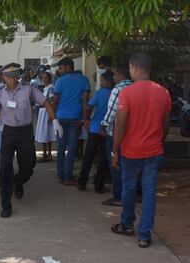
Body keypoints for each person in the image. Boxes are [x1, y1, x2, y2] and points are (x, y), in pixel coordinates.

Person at [0, 63, 60, 218]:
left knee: (29, 165)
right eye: (9, 76)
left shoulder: (29, 89)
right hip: (9, 133)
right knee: (6, 168)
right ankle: (6, 205)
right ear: (5, 78)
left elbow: (45, 102)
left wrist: (54, 120)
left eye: (15, 76)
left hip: (25, 133)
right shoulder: (0, 93)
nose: (13, 79)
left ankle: (19, 181)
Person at [111, 52, 171, 248]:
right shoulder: (163, 92)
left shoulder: (127, 93)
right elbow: (166, 125)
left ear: (135, 69)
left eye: (129, 69)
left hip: (131, 151)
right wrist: (158, 140)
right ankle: (144, 235)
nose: (129, 72)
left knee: (128, 187)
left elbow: (120, 125)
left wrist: (115, 151)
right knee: (149, 192)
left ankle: (127, 224)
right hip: (154, 151)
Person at [53, 57, 91, 185]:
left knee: (61, 147)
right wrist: (85, 118)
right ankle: (68, 177)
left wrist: (52, 116)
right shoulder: (84, 80)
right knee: (72, 148)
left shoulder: (60, 81)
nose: (60, 70)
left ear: (69, 67)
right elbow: (85, 100)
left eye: (61, 67)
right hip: (76, 118)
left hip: (61, 117)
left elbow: (55, 100)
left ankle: (60, 175)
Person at [77, 71, 115, 193]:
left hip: (94, 128)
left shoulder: (99, 93)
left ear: (107, 82)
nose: (101, 83)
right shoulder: (115, 94)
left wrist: (86, 119)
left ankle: (81, 182)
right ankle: (99, 185)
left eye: (102, 81)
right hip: (108, 130)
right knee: (103, 159)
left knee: (88, 156)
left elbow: (89, 107)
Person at [100, 64, 133, 206]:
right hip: (132, 134)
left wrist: (104, 124)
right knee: (130, 167)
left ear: (120, 75)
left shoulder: (118, 89)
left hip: (115, 133)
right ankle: (132, 195)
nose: (113, 77)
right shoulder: (135, 87)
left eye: (115, 74)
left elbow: (112, 111)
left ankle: (118, 196)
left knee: (115, 163)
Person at [35, 70, 56, 163]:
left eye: (45, 78)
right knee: (46, 133)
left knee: (45, 133)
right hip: (43, 112)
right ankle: (47, 154)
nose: (43, 79)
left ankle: (46, 154)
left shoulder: (51, 88)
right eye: (42, 78)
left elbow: (51, 102)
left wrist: (50, 115)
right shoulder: (46, 88)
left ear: (49, 78)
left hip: (46, 112)